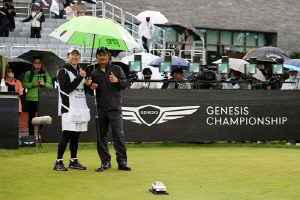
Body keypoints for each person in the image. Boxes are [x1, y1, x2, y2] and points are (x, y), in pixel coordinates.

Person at [88, 47, 131, 172]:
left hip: (115, 108)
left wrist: (117, 81)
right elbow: (90, 93)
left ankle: (122, 162)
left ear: (109, 56)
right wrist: (91, 86)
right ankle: (105, 162)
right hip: (100, 109)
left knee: (118, 135)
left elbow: (125, 84)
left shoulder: (117, 69)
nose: (102, 57)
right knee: (101, 136)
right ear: (96, 57)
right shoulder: (94, 73)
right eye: (99, 55)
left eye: (104, 54)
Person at [53, 47, 92, 171]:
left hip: (80, 108)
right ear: (67, 56)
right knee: (67, 135)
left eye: (77, 54)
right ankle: (58, 162)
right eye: (72, 54)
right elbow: (67, 88)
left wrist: (89, 86)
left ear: (80, 57)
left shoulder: (81, 71)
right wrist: (80, 78)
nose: (74, 56)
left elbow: (83, 91)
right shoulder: (62, 71)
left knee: (76, 136)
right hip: (68, 108)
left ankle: (73, 160)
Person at [22, 56, 52, 136]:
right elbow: (24, 84)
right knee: (31, 118)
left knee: (42, 118)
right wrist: (32, 84)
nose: (37, 64)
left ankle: (41, 136)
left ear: (41, 64)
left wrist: (43, 84)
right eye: (36, 63)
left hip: (42, 99)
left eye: (39, 63)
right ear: (33, 64)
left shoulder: (45, 74)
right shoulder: (29, 73)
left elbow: (50, 85)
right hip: (31, 98)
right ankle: (31, 136)